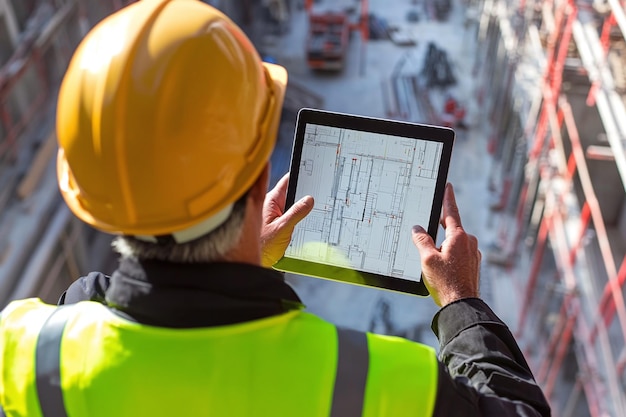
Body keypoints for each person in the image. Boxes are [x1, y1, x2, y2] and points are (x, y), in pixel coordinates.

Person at [0, 1, 550, 416]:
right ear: (260, 169)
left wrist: (231, 268)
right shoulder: (382, 381)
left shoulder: (24, 350)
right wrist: (460, 302)